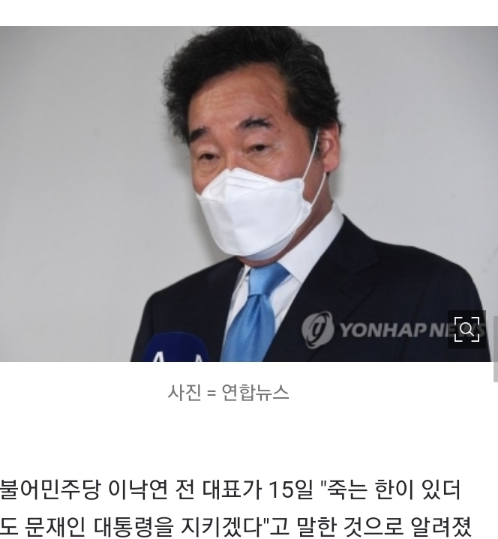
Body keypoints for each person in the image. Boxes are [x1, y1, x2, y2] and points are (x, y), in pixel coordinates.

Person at [132, 27, 489, 362]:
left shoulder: (440, 290)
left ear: (326, 146)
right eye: (208, 155)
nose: (231, 178)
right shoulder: (167, 314)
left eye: (257, 146)